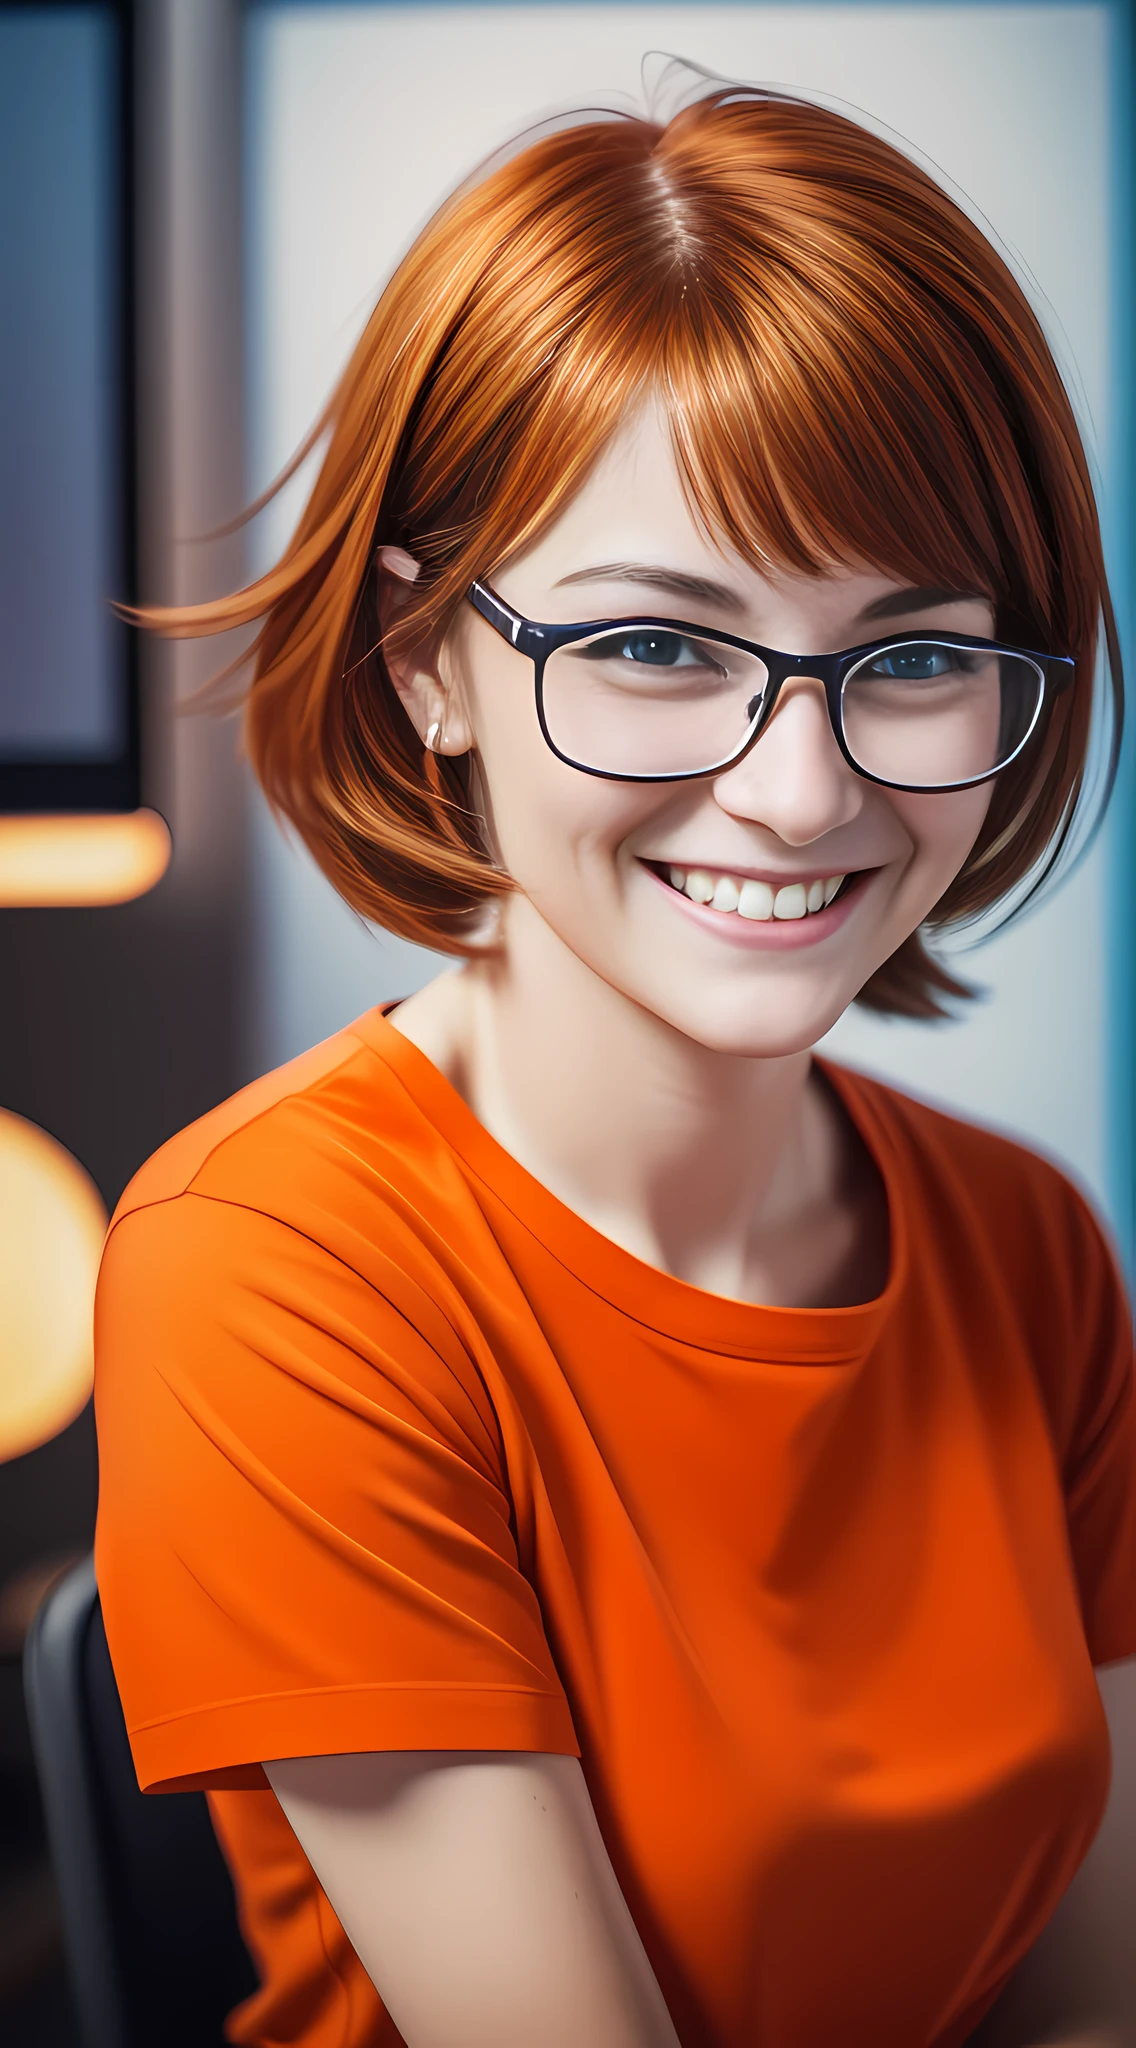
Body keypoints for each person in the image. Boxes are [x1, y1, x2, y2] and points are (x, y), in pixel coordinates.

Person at [93, 83, 1135, 2048]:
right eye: (661, 647)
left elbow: (1089, 1995)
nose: (800, 786)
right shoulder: (274, 1266)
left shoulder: (1025, 1246)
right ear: (427, 662)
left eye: (907, 657)